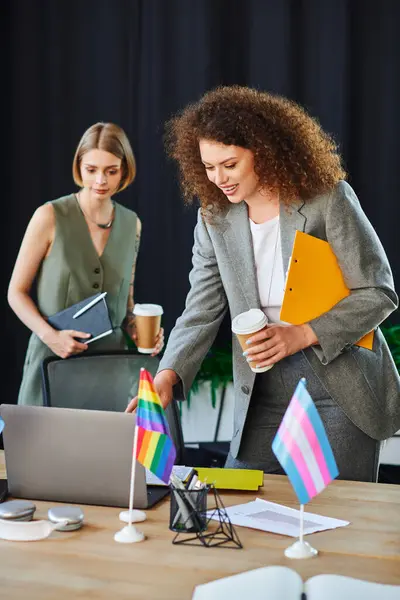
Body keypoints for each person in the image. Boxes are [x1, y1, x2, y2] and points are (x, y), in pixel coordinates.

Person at [126, 86, 400, 482]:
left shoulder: (327, 199)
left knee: (337, 517)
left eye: (230, 164)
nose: (218, 178)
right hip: (262, 389)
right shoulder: (213, 219)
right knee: (241, 505)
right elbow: (201, 308)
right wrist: (168, 374)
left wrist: (302, 334)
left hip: (338, 387)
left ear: (264, 151)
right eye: (208, 166)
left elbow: (378, 292)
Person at [8, 122, 164, 406]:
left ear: (124, 170)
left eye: (111, 171)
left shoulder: (132, 224)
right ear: (78, 167)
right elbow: (15, 292)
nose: (100, 180)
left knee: (104, 450)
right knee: (43, 449)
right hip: (52, 361)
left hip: (110, 370)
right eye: (91, 170)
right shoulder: (49, 216)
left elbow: (126, 305)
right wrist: (50, 336)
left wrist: (138, 330)